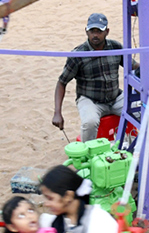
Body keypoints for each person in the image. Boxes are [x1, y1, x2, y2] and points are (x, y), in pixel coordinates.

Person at [53, 13, 124, 142]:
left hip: (115, 98)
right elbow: (62, 82)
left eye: (99, 31)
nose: (95, 35)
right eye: (92, 31)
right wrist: (57, 112)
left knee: (141, 112)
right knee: (89, 123)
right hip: (90, 100)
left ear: (107, 32)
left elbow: (133, 66)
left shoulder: (116, 47)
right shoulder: (78, 55)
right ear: (86, 31)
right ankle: (88, 154)